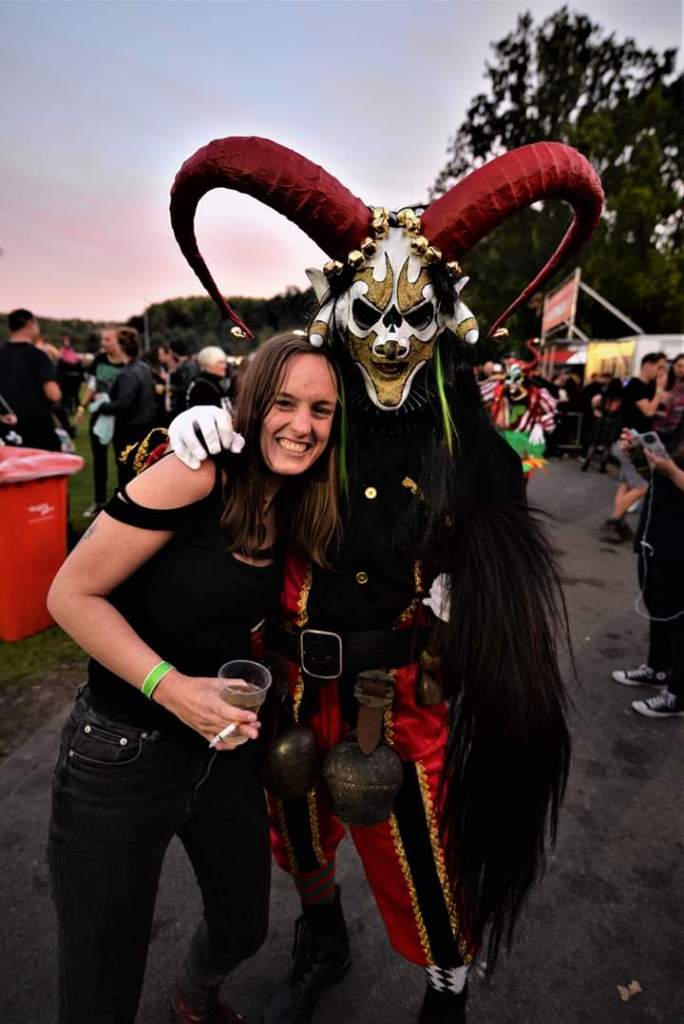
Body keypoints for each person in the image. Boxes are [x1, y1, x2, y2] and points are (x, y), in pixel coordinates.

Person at [166, 135, 602, 1023]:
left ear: (443, 318)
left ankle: (446, 994)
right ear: (339, 311)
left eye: (416, 316)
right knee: (298, 831)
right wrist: (194, 429)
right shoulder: (307, 403)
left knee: (425, 852)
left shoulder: (456, 417)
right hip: (290, 681)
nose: (394, 338)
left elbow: (499, 507)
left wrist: (474, 577)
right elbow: (242, 466)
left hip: (394, 687)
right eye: (374, 315)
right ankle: (323, 941)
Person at [46, 333, 341, 1024]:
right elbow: (68, 595)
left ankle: (194, 996)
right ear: (253, 402)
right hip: (121, 752)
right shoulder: (197, 473)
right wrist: (174, 688)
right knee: (100, 986)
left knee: (244, 924)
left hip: (219, 754)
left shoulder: (297, 499)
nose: (302, 425)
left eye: (322, 410)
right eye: (285, 403)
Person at [612, 424, 684, 718]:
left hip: (678, 541)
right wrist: (639, 454)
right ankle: (658, 668)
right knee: (658, 604)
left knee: (678, 616)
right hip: (657, 534)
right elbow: (653, 475)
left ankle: (678, 695)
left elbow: (672, 472)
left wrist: (672, 471)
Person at [601, 352, 668, 542]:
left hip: (634, 442)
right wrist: (659, 389)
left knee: (626, 484)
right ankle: (613, 519)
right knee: (642, 486)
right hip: (629, 443)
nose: (661, 372)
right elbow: (649, 411)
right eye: (659, 367)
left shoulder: (644, 387)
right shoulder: (636, 386)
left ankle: (619, 522)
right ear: (647, 365)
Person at [96, 327, 157, 487]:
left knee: (127, 474)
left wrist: (102, 406)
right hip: (144, 428)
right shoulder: (143, 367)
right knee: (140, 472)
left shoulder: (128, 373)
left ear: (121, 346)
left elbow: (123, 405)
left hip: (130, 432)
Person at [76, 327, 127, 517]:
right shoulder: (99, 359)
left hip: (121, 417)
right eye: (102, 339)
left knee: (123, 460)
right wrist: (82, 406)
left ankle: (124, 501)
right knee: (99, 460)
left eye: (107, 339)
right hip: (100, 414)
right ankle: (99, 502)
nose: (103, 343)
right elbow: (92, 386)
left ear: (118, 341)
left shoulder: (128, 362)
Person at [0, 308, 62, 450]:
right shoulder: (38, 356)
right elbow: (53, 394)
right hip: (37, 428)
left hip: (5, 427)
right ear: (30, 324)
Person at [169, 339, 200, 417]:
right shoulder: (189, 365)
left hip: (185, 408)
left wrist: (171, 388)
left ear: (174, 353)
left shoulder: (187, 367)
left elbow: (185, 388)